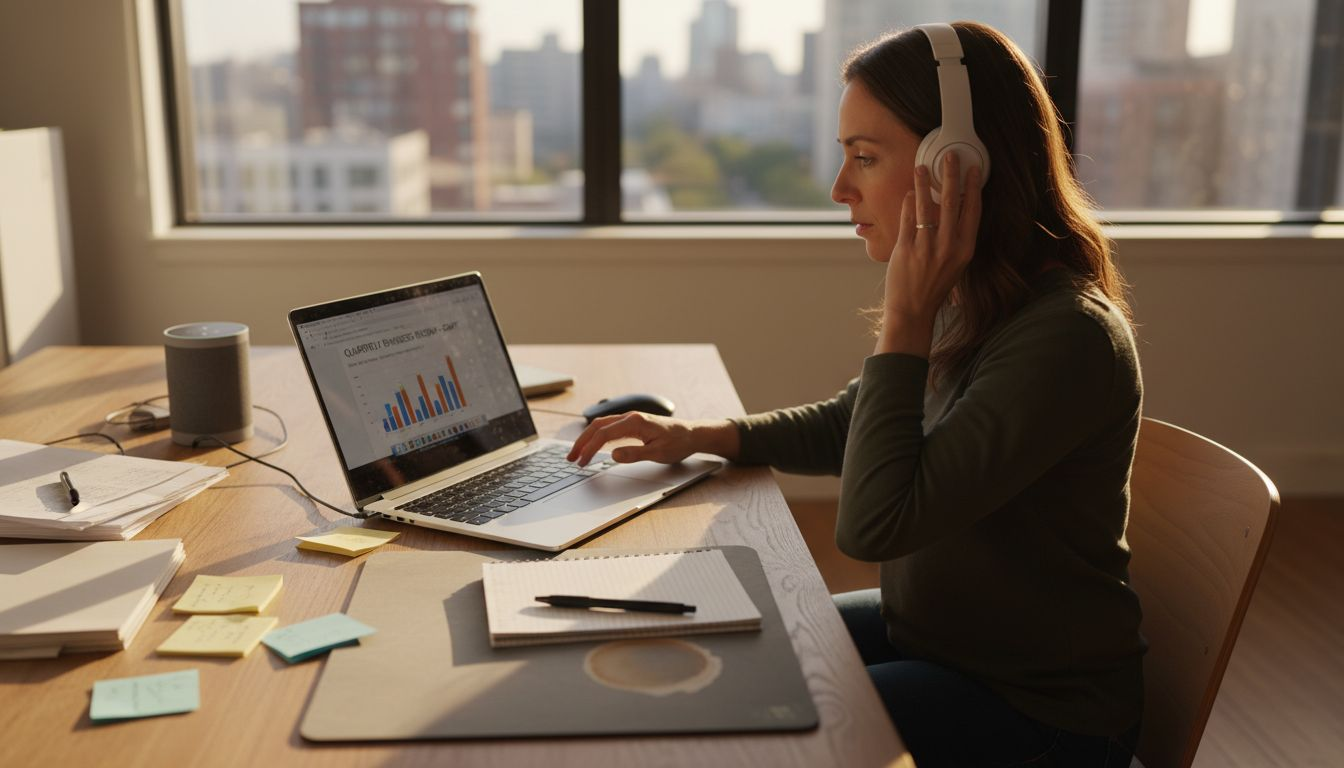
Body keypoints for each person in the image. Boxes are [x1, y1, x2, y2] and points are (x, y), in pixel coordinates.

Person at [567, 20, 1144, 768]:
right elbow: (858, 421)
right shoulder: (979, 298)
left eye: (865, 158)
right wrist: (705, 436)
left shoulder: (1066, 337)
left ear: (958, 164)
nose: (842, 189)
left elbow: (874, 526)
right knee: (729, 648)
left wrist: (904, 317)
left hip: (1039, 710)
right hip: (938, 637)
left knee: (757, 727)